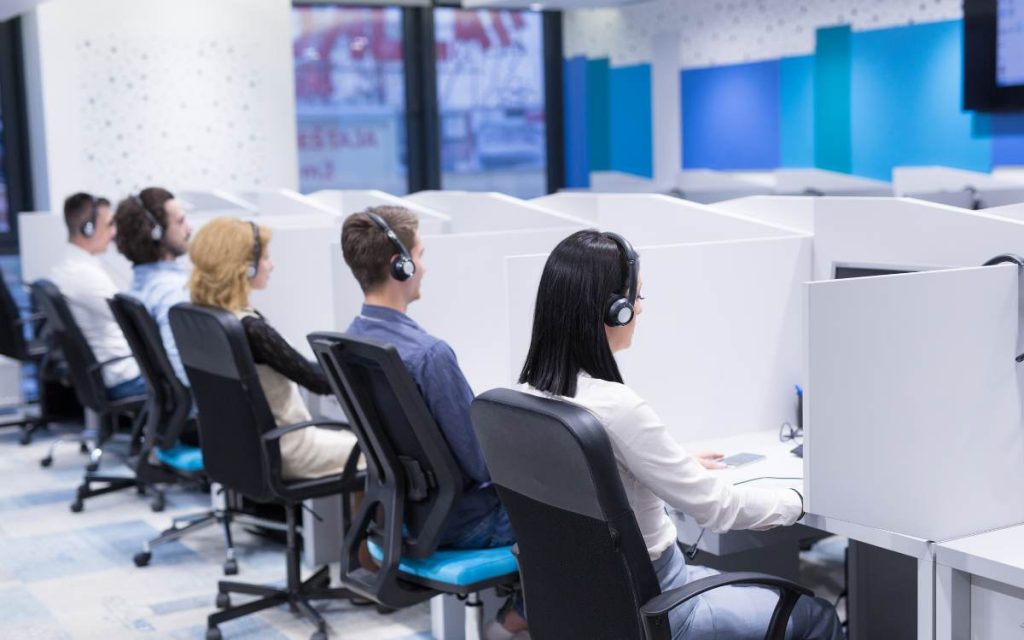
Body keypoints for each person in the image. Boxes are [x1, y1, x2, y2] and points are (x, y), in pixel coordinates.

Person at [516, 230, 842, 640]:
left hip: (582, 600)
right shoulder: (618, 409)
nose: (639, 310)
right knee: (818, 616)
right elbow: (720, 509)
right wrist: (801, 500)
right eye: (637, 298)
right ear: (614, 310)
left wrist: (671, 463)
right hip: (658, 603)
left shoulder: (528, 397)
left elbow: (591, 478)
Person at [340, 206, 528, 639]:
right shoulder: (429, 355)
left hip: (399, 516)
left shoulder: (351, 339)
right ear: (400, 264)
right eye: (420, 254)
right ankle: (517, 618)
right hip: (461, 523)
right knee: (571, 510)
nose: (423, 266)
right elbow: (480, 465)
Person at [187, 217, 356, 480]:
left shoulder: (207, 319)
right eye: (265, 257)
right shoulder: (251, 329)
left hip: (241, 449)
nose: (271, 265)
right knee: (379, 454)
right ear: (246, 268)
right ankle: (366, 523)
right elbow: (319, 382)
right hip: (291, 449)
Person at [49, 192, 144, 400]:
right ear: (88, 229)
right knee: (187, 379)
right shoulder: (84, 275)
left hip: (108, 371)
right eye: (109, 224)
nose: (113, 232)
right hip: (124, 376)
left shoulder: (68, 267)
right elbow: (137, 324)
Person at [113, 187, 192, 387]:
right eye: (180, 222)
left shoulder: (142, 283)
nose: (189, 229)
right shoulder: (172, 293)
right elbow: (182, 374)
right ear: (155, 232)